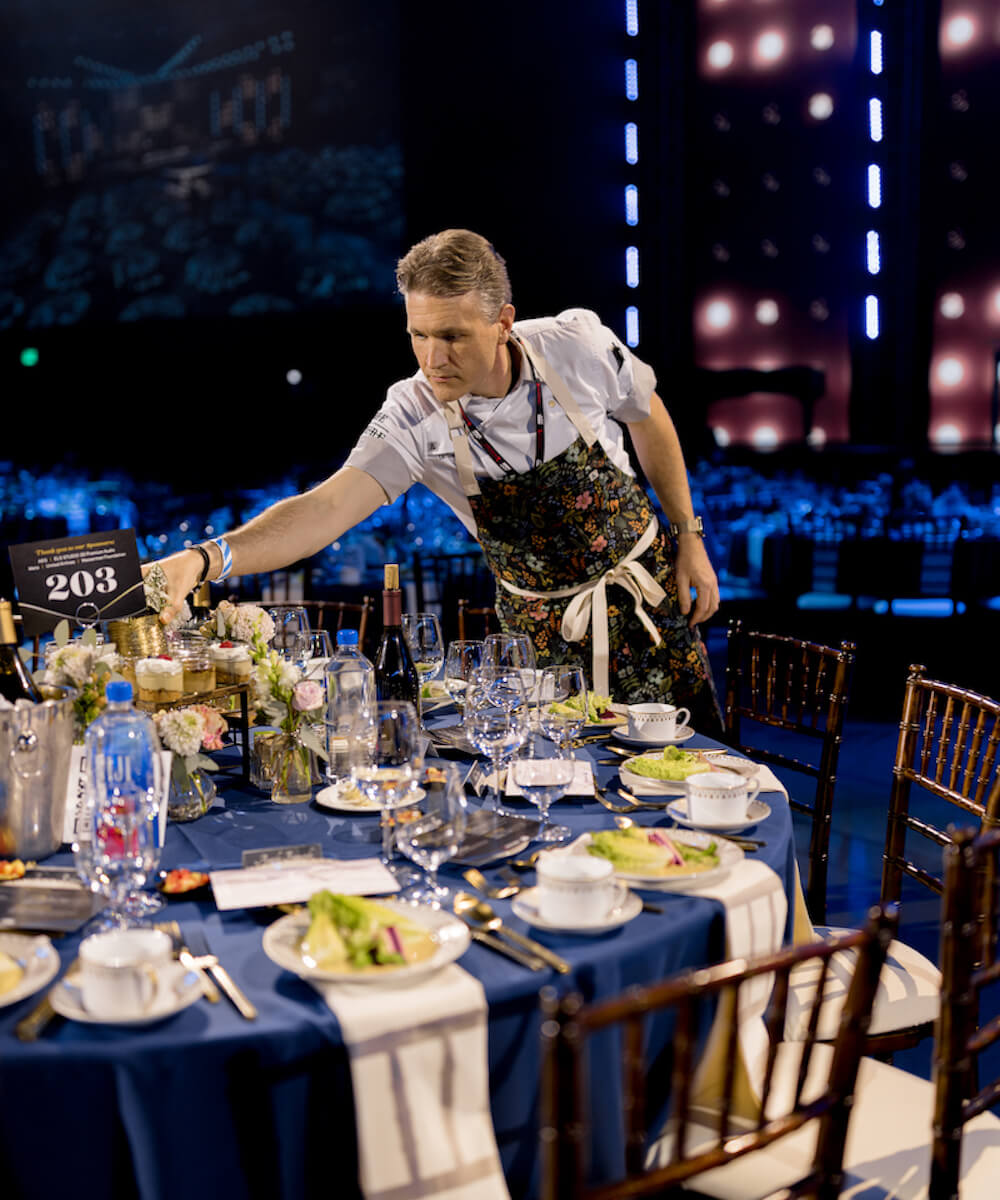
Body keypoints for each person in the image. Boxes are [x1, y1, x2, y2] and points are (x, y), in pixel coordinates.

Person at [151, 229, 722, 731]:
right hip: (540, 636)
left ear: (503, 323)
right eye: (418, 335)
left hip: (648, 599)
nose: (432, 357)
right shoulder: (411, 413)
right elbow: (322, 511)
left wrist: (689, 536)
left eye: (451, 335)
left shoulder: (576, 346)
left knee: (683, 775)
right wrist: (204, 558)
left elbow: (649, 416)